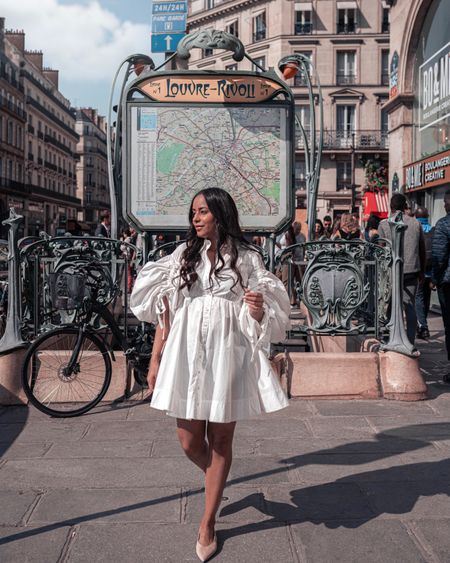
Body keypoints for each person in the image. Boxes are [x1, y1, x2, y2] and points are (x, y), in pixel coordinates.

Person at [130, 188, 290, 561]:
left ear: (220, 213)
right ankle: (215, 480)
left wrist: (255, 309)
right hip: (185, 353)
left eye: (202, 211)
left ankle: (208, 521)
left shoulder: (247, 258)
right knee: (189, 441)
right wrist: (155, 360)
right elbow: (164, 313)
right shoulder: (183, 255)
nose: (195, 218)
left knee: (220, 440)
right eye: (193, 213)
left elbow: (267, 318)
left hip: (228, 354)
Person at [378, 193, 426, 346]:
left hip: (392, 271)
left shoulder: (384, 224)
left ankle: (392, 339)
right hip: (411, 270)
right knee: (409, 307)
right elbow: (422, 250)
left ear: (391, 207)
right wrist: (422, 271)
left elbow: (381, 251)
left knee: (391, 305)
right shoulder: (415, 224)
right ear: (405, 206)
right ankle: (410, 342)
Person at [431, 190, 450, 383]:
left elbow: (439, 255)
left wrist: (434, 279)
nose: (444, 205)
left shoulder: (444, 224)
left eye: (446, 202)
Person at [415, 207, 434, 339]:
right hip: (430, 271)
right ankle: (423, 323)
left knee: (418, 298)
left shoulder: (415, 230)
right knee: (426, 299)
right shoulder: (433, 230)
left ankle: (423, 326)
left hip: (418, 271)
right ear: (427, 216)